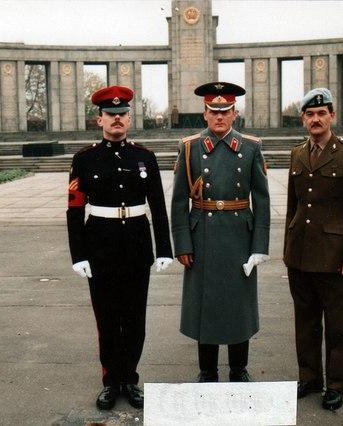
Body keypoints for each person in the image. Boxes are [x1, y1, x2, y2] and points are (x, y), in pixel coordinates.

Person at [66, 85, 173, 410]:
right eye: (111, 115)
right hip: (100, 247)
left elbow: (157, 205)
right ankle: (111, 381)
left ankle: (130, 378)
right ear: (99, 119)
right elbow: (74, 209)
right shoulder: (84, 159)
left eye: (122, 115)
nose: (117, 120)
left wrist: (164, 249)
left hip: (137, 246)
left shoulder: (145, 157)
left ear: (129, 119)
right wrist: (78, 255)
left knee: (135, 318)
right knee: (108, 319)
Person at [171, 82, 271, 383]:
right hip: (202, 235)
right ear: (204, 113)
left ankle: (239, 369)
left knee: (239, 305)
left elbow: (262, 199)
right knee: (206, 305)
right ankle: (208, 370)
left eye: (225, 111)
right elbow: (178, 201)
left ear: (235, 113)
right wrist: (182, 244)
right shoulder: (189, 147)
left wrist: (260, 246)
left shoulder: (251, 147)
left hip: (240, 234)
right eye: (213, 111)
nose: (219, 117)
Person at [283, 88, 343, 411]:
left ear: (332, 116)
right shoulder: (297, 153)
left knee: (336, 325)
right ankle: (309, 377)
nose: (316, 120)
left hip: (335, 257)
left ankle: (335, 384)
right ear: (304, 119)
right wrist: (287, 250)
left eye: (322, 114)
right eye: (310, 114)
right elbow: (293, 207)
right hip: (300, 254)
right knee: (305, 322)